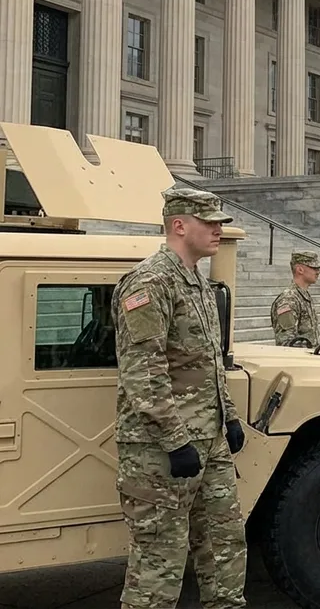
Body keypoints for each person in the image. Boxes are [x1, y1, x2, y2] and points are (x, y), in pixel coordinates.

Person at [112, 187, 247, 607]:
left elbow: (209, 360)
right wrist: (174, 441)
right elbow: (143, 372)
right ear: (179, 225)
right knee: (159, 561)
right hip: (161, 449)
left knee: (225, 544)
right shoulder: (151, 282)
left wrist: (229, 417)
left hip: (208, 438)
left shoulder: (199, 282)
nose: (218, 230)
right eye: (210, 222)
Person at [270, 250, 320, 346]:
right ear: (300, 270)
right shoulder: (288, 300)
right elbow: (286, 343)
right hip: (298, 356)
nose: (318, 272)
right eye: (314, 268)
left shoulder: (303, 296)